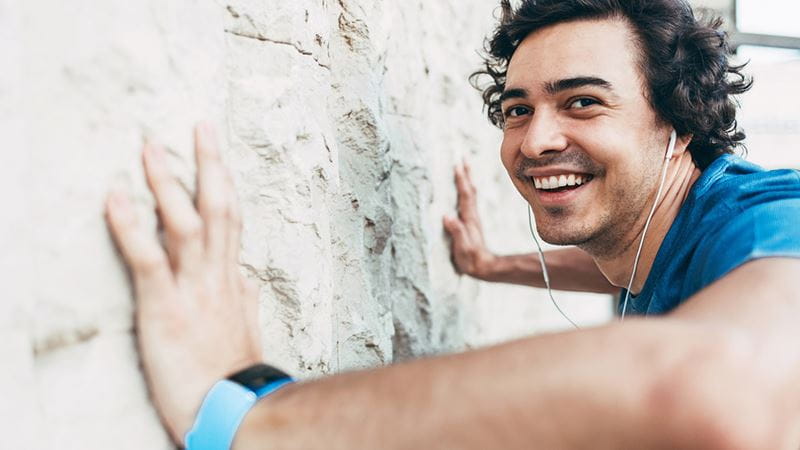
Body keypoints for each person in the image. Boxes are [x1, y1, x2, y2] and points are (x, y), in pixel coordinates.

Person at [105, 0, 800, 448]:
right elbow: (634, 260)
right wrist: (494, 265)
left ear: (678, 121)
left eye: (582, 102)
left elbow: (718, 385)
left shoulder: (772, 218)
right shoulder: (673, 231)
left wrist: (255, 414)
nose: (534, 141)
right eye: (516, 109)